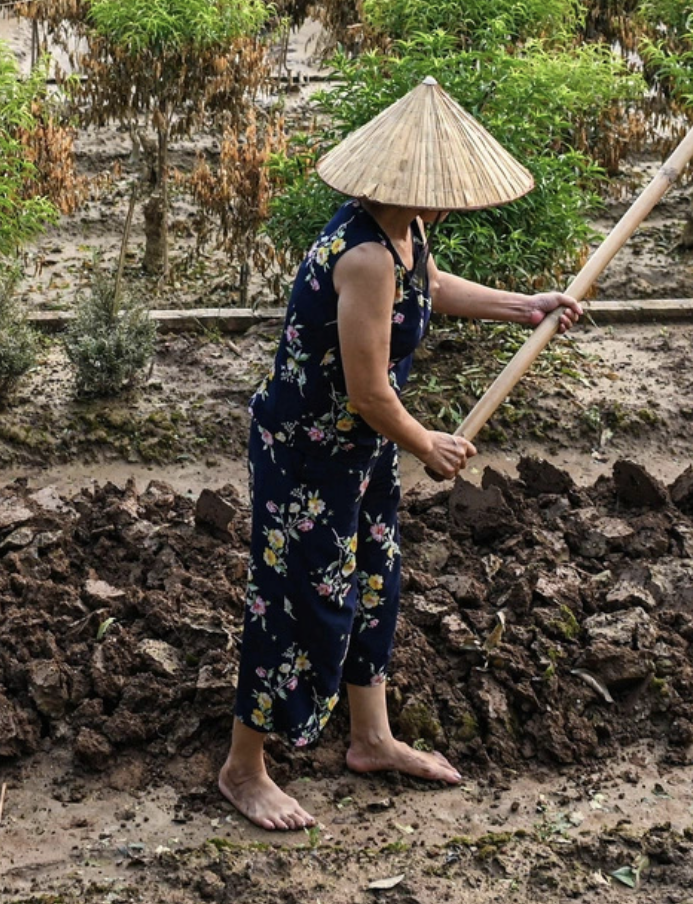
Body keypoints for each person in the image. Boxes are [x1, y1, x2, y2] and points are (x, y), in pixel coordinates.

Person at [216, 78, 587, 832]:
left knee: (375, 584)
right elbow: (368, 393)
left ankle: (371, 738)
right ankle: (243, 768)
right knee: (296, 605)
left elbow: (433, 286)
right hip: (310, 458)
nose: (448, 201)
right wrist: (432, 444)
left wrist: (527, 305)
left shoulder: (401, 233)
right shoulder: (361, 257)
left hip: (361, 455)